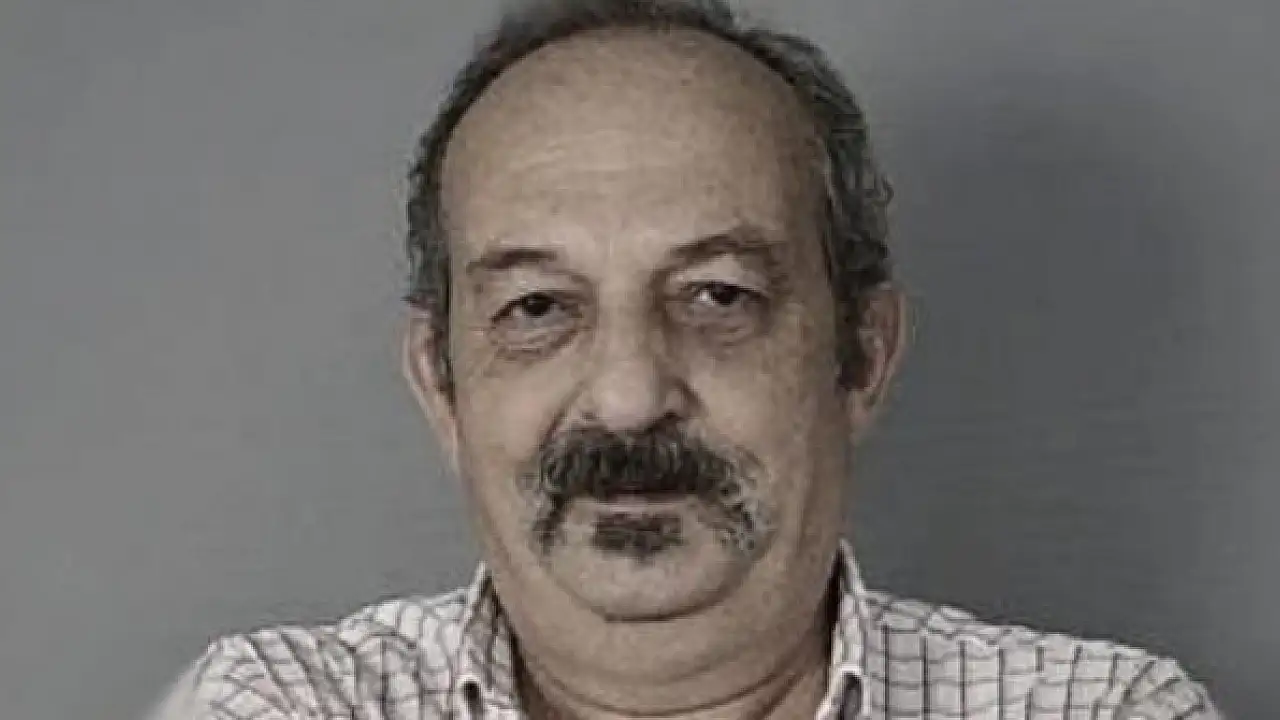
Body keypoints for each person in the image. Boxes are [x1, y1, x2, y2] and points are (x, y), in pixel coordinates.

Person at [148, 0, 1221, 718]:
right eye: (537, 308)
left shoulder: (1102, 709)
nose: (627, 397)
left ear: (861, 357)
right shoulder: (275, 703)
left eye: (717, 298)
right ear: (442, 386)